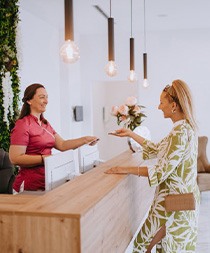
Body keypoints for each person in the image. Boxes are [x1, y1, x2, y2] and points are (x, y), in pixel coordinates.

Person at [106, 79, 200, 253]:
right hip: (178, 199)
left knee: (142, 244)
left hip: (172, 201)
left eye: (161, 102)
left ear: (173, 106)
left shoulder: (180, 133)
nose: (158, 107)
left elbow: (160, 171)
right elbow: (157, 148)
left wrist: (124, 170)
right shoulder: (183, 128)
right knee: (156, 246)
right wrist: (130, 133)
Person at [9, 83, 99, 192]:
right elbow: (15, 158)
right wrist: (44, 159)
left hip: (49, 181)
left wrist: (85, 140)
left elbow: (62, 145)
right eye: (42, 97)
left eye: (47, 97)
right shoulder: (23, 125)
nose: (46, 101)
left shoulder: (45, 124)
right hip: (30, 185)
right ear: (29, 101)